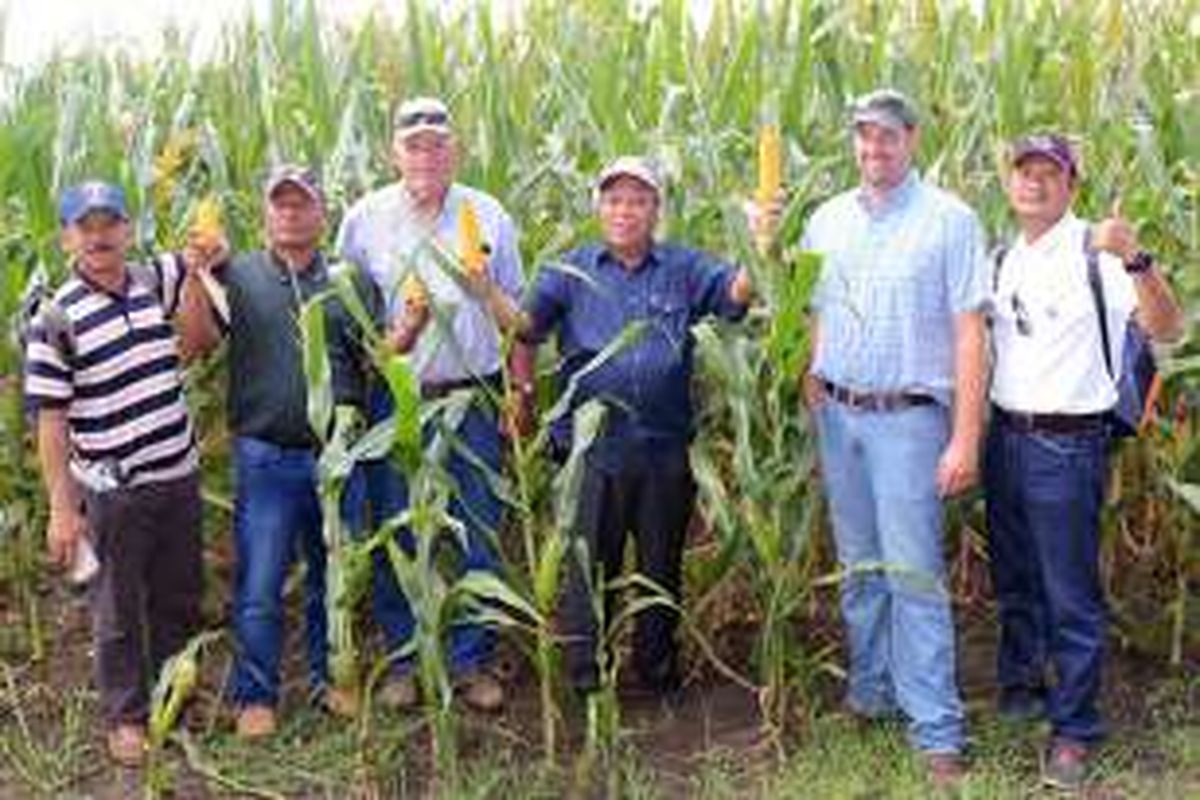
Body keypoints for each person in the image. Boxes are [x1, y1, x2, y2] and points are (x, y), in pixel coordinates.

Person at [469, 155, 752, 696]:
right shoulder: (569, 272)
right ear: (599, 207)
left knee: (659, 568)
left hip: (664, 450)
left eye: (638, 200)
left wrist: (761, 242)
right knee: (586, 572)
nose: (625, 210)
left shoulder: (684, 267)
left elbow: (734, 296)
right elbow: (525, 327)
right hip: (590, 452)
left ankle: (657, 674)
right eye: (615, 199)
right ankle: (586, 680)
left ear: (656, 210)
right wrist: (487, 292)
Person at [776, 89, 988, 785]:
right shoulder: (826, 220)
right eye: (864, 137)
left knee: (913, 576)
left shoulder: (950, 220)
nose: (874, 149)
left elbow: (968, 332)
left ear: (913, 139)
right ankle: (872, 695)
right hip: (840, 416)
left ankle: (936, 729)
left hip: (909, 420)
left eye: (887, 137)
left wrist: (964, 437)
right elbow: (812, 310)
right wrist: (812, 387)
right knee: (861, 570)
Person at [984, 133, 1183, 790]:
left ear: (1071, 184)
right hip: (1004, 438)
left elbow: (1166, 328)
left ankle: (1074, 729)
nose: (1034, 183)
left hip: (1067, 446)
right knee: (1015, 578)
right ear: (1009, 182)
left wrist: (1136, 258)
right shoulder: (1000, 257)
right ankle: (1021, 691)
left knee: (1069, 591)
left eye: (1050, 173)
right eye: (1024, 171)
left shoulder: (1095, 254)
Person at [336, 97, 532, 712]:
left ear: (456, 150)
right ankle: (404, 658)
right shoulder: (364, 220)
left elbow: (520, 317)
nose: (426, 154)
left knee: (478, 529)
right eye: (414, 144)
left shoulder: (489, 215)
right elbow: (350, 322)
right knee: (399, 526)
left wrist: (521, 392)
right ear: (394, 152)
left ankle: (470, 660)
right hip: (398, 401)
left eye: (437, 143)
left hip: (474, 394)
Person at [23, 181, 214, 766]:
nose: (100, 235)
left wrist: (201, 269)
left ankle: (175, 693)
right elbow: (51, 422)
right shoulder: (55, 317)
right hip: (114, 491)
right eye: (86, 226)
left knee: (178, 595)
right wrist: (63, 508)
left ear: (129, 230)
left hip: (177, 476)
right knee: (117, 607)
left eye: (110, 223)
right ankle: (127, 716)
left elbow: (196, 342)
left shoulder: (158, 277)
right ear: (67, 238)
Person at [179, 165, 374, 738]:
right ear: (265, 214)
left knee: (333, 578)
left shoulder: (349, 282)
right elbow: (196, 343)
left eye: (301, 204)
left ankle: (329, 678)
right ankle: (255, 696)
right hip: (264, 456)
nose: (290, 213)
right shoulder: (236, 275)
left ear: (322, 215)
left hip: (335, 456)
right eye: (280, 204)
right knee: (261, 583)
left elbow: (376, 356)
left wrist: (408, 331)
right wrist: (197, 273)